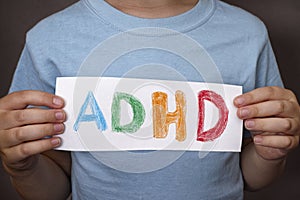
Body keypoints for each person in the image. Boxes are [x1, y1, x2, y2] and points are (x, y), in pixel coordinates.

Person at [0, 0, 299, 199]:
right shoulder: (50, 37)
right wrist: (21, 168)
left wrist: (270, 153)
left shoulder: (248, 34)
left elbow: (251, 176)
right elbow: (53, 186)